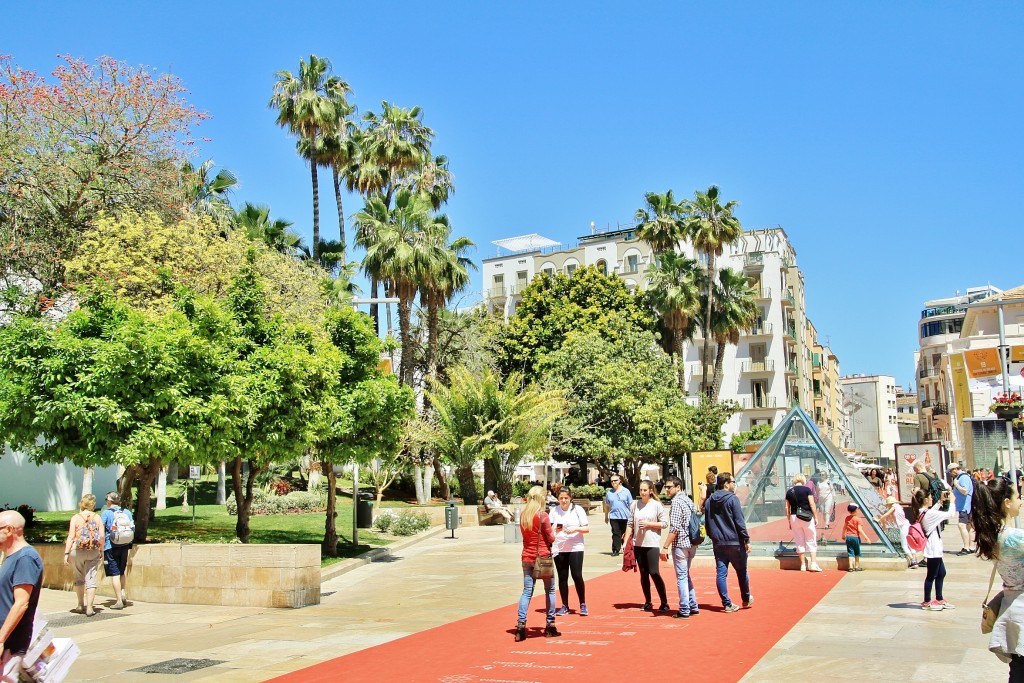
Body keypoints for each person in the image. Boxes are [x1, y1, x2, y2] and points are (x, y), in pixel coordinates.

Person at [971, 476, 1024, 682]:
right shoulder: (1015, 537)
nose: (1021, 501)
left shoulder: (995, 535)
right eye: (1018, 497)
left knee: (1018, 668)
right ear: (1007, 503)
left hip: (1012, 610)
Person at [0, 510, 43, 674]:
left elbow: (21, 603)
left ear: (9, 530)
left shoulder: (25, 558)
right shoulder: (11, 557)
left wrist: (1, 639)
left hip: (12, 645)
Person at [514, 486, 559, 641]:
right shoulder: (542, 515)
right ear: (541, 498)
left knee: (527, 591)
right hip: (543, 557)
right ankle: (550, 625)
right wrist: (553, 530)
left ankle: (520, 625)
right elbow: (551, 538)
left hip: (527, 557)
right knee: (550, 590)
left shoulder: (524, 515)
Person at [704, 472, 753, 612]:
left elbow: (707, 521)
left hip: (718, 542)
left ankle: (726, 603)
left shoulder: (709, 501)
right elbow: (739, 521)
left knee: (721, 573)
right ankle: (746, 597)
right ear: (726, 484)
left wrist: (713, 536)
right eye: (733, 482)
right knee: (742, 571)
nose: (734, 484)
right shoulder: (733, 499)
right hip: (735, 542)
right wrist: (746, 539)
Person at [623, 480, 669, 612]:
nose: (642, 493)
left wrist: (650, 524)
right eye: (640, 490)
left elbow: (665, 523)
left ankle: (664, 602)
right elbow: (630, 523)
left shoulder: (656, 505)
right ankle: (648, 601)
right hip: (638, 543)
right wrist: (626, 541)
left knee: (654, 572)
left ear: (650, 491)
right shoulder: (634, 505)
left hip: (652, 543)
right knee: (643, 573)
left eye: (644, 490)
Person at [660, 476, 701, 619]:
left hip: (681, 544)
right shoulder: (688, 500)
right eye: (666, 487)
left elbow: (675, 528)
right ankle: (693, 605)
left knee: (682, 577)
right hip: (692, 543)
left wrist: (665, 546)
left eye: (669, 487)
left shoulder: (677, 502)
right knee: (685, 575)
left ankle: (684, 609)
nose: (667, 489)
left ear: (678, 487)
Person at [911, 487, 958, 610]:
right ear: (926, 500)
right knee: (931, 575)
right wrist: (952, 501)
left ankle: (939, 598)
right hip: (933, 548)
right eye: (931, 497)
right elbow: (950, 514)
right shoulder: (928, 513)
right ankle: (927, 601)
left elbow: (932, 512)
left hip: (936, 547)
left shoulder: (924, 511)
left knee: (941, 573)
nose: (932, 499)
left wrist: (940, 502)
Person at [63, 493, 105, 617]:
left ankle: (80, 604)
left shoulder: (75, 517)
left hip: (77, 550)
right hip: (93, 550)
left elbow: (71, 536)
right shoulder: (97, 517)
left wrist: (66, 553)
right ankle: (90, 608)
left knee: (79, 577)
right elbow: (101, 536)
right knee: (91, 579)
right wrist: (101, 550)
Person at [549, 488, 589, 616]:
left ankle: (582, 603)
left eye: (566, 498)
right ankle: (564, 605)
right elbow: (549, 528)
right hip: (559, 547)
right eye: (561, 498)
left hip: (575, 546)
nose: (564, 501)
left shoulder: (577, 510)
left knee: (577, 575)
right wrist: (556, 528)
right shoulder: (554, 511)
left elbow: (586, 528)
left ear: (570, 497)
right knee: (562, 576)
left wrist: (575, 529)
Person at [101, 491, 133, 610]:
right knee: (121, 571)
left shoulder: (106, 513)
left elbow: (101, 530)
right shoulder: (127, 512)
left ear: (109, 501)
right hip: (124, 545)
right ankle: (123, 592)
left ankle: (118, 600)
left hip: (111, 546)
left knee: (114, 573)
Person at [785, 473, 821, 572]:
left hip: (794, 517)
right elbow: (812, 504)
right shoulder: (807, 490)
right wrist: (816, 517)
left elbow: (787, 507)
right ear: (803, 480)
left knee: (799, 540)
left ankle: (802, 565)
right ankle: (813, 563)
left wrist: (789, 521)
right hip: (807, 517)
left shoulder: (789, 492)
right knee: (811, 538)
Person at [876, 496, 919, 568]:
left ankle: (913, 561)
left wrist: (879, 520)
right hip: (907, 525)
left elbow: (886, 515)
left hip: (903, 527)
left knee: (904, 545)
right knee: (910, 544)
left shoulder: (894, 506)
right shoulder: (899, 506)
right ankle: (915, 560)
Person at [949, 463, 975, 556]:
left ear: (955, 469)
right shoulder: (963, 476)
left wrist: (956, 485)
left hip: (965, 506)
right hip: (966, 506)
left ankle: (966, 547)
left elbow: (965, 491)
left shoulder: (963, 477)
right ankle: (971, 546)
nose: (950, 474)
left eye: (951, 471)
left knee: (961, 525)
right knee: (969, 526)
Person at [603, 475, 632, 557]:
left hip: (625, 516)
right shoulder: (609, 493)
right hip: (614, 516)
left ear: (620, 481)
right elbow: (607, 506)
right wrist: (606, 516)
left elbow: (631, 504)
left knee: (625, 533)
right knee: (616, 533)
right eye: (611, 481)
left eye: (615, 480)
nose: (613, 482)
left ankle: (626, 548)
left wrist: (632, 516)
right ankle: (615, 549)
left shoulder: (626, 491)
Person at [843, 503, 868, 571]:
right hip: (855, 537)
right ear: (856, 510)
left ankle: (850, 566)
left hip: (848, 537)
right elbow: (860, 529)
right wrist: (866, 537)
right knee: (857, 552)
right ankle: (857, 566)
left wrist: (843, 535)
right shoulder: (858, 519)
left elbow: (844, 527)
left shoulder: (847, 518)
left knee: (850, 552)